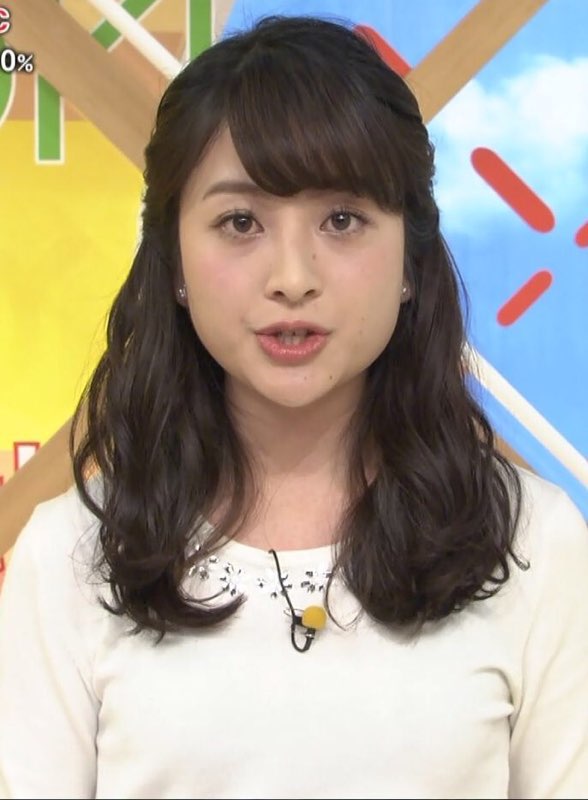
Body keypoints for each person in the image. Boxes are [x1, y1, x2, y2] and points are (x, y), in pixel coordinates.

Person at [0, 13, 586, 800]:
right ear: (173, 263)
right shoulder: (69, 555)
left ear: (410, 260)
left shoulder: (535, 543)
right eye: (240, 223)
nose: (292, 277)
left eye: (342, 220)